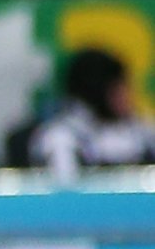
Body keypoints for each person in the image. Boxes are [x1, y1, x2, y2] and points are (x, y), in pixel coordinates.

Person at [26, 49, 155, 179]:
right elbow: (65, 189)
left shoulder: (141, 131)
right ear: (97, 91)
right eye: (118, 88)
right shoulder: (62, 137)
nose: (127, 95)